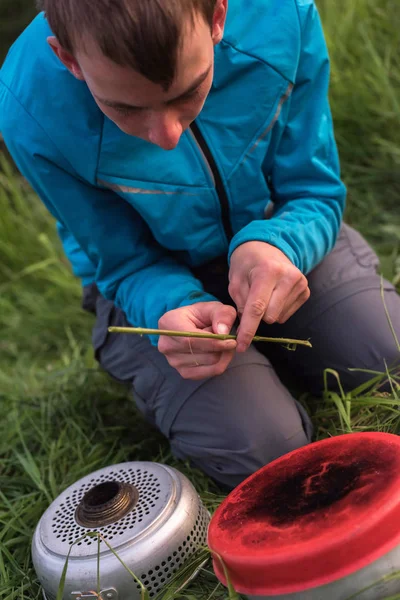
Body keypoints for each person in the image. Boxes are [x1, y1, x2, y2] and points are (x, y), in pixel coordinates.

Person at [0, 0, 399, 490]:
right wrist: (171, 307)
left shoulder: (282, 15)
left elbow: (312, 191)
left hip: (277, 231)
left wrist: (279, 245)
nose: (165, 136)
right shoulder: (30, 104)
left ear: (217, 18)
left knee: (388, 356)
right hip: (147, 283)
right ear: (69, 60)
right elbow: (124, 265)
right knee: (267, 452)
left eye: (188, 92)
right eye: (125, 108)